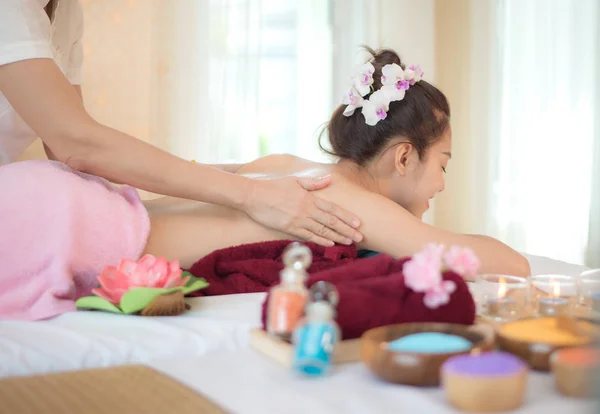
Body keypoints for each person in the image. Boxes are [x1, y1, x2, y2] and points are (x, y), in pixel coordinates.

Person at [0, 47, 530, 320]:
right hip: (71, 231)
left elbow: (190, 178)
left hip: (57, 197)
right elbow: (510, 265)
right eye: (444, 163)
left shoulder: (283, 164)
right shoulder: (350, 202)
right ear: (405, 156)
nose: (441, 185)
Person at [0, 0, 362, 247]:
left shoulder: (65, 13)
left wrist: (241, 173)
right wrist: (253, 194)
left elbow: (78, 152)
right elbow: (76, 145)